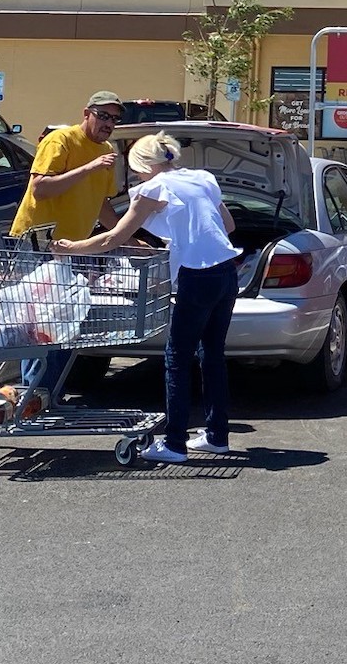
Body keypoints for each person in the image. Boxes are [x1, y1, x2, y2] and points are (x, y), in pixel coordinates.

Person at [56, 132, 240, 464]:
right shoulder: (202, 178)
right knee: (212, 355)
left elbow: (111, 238)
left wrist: (69, 247)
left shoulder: (152, 189)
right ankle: (216, 436)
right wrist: (182, 237)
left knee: (176, 358)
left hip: (196, 277)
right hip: (227, 271)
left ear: (143, 165)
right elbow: (227, 225)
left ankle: (174, 444)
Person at [8, 91, 125, 407]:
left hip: (73, 251)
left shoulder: (107, 152)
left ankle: (45, 397)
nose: (109, 124)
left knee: (63, 326)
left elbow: (102, 205)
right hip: (39, 246)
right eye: (103, 116)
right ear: (87, 112)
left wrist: (126, 235)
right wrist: (89, 167)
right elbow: (40, 188)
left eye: (115, 119)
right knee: (38, 326)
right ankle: (35, 397)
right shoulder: (61, 141)